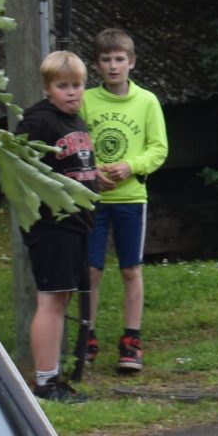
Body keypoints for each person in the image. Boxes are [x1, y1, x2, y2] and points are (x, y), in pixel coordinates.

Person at [18, 51, 105, 403]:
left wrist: (95, 177)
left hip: (78, 224)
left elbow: (72, 166)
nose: (72, 92)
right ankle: (45, 383)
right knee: (51, 300)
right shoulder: (38, 122)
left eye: (77, 85)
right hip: (53, 224)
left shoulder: (76, 121)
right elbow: (20, 168)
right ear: (47, 88)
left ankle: (53, 376)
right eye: (63, 86)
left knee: (62, 297)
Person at [81, 27, 167, 373]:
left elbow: (158, 148)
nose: (113, 66)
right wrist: (91, 172)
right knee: (91, 270)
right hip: (93, 198)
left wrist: (131, 166)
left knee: (131, 269)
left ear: (131, 62)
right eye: (106, 60)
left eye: (119, 59)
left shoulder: (147, 101)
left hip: (131, 198)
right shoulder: (86, 100)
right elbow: (76, 144)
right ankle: (86, 336)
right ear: (97, 65)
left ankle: (132, 340)